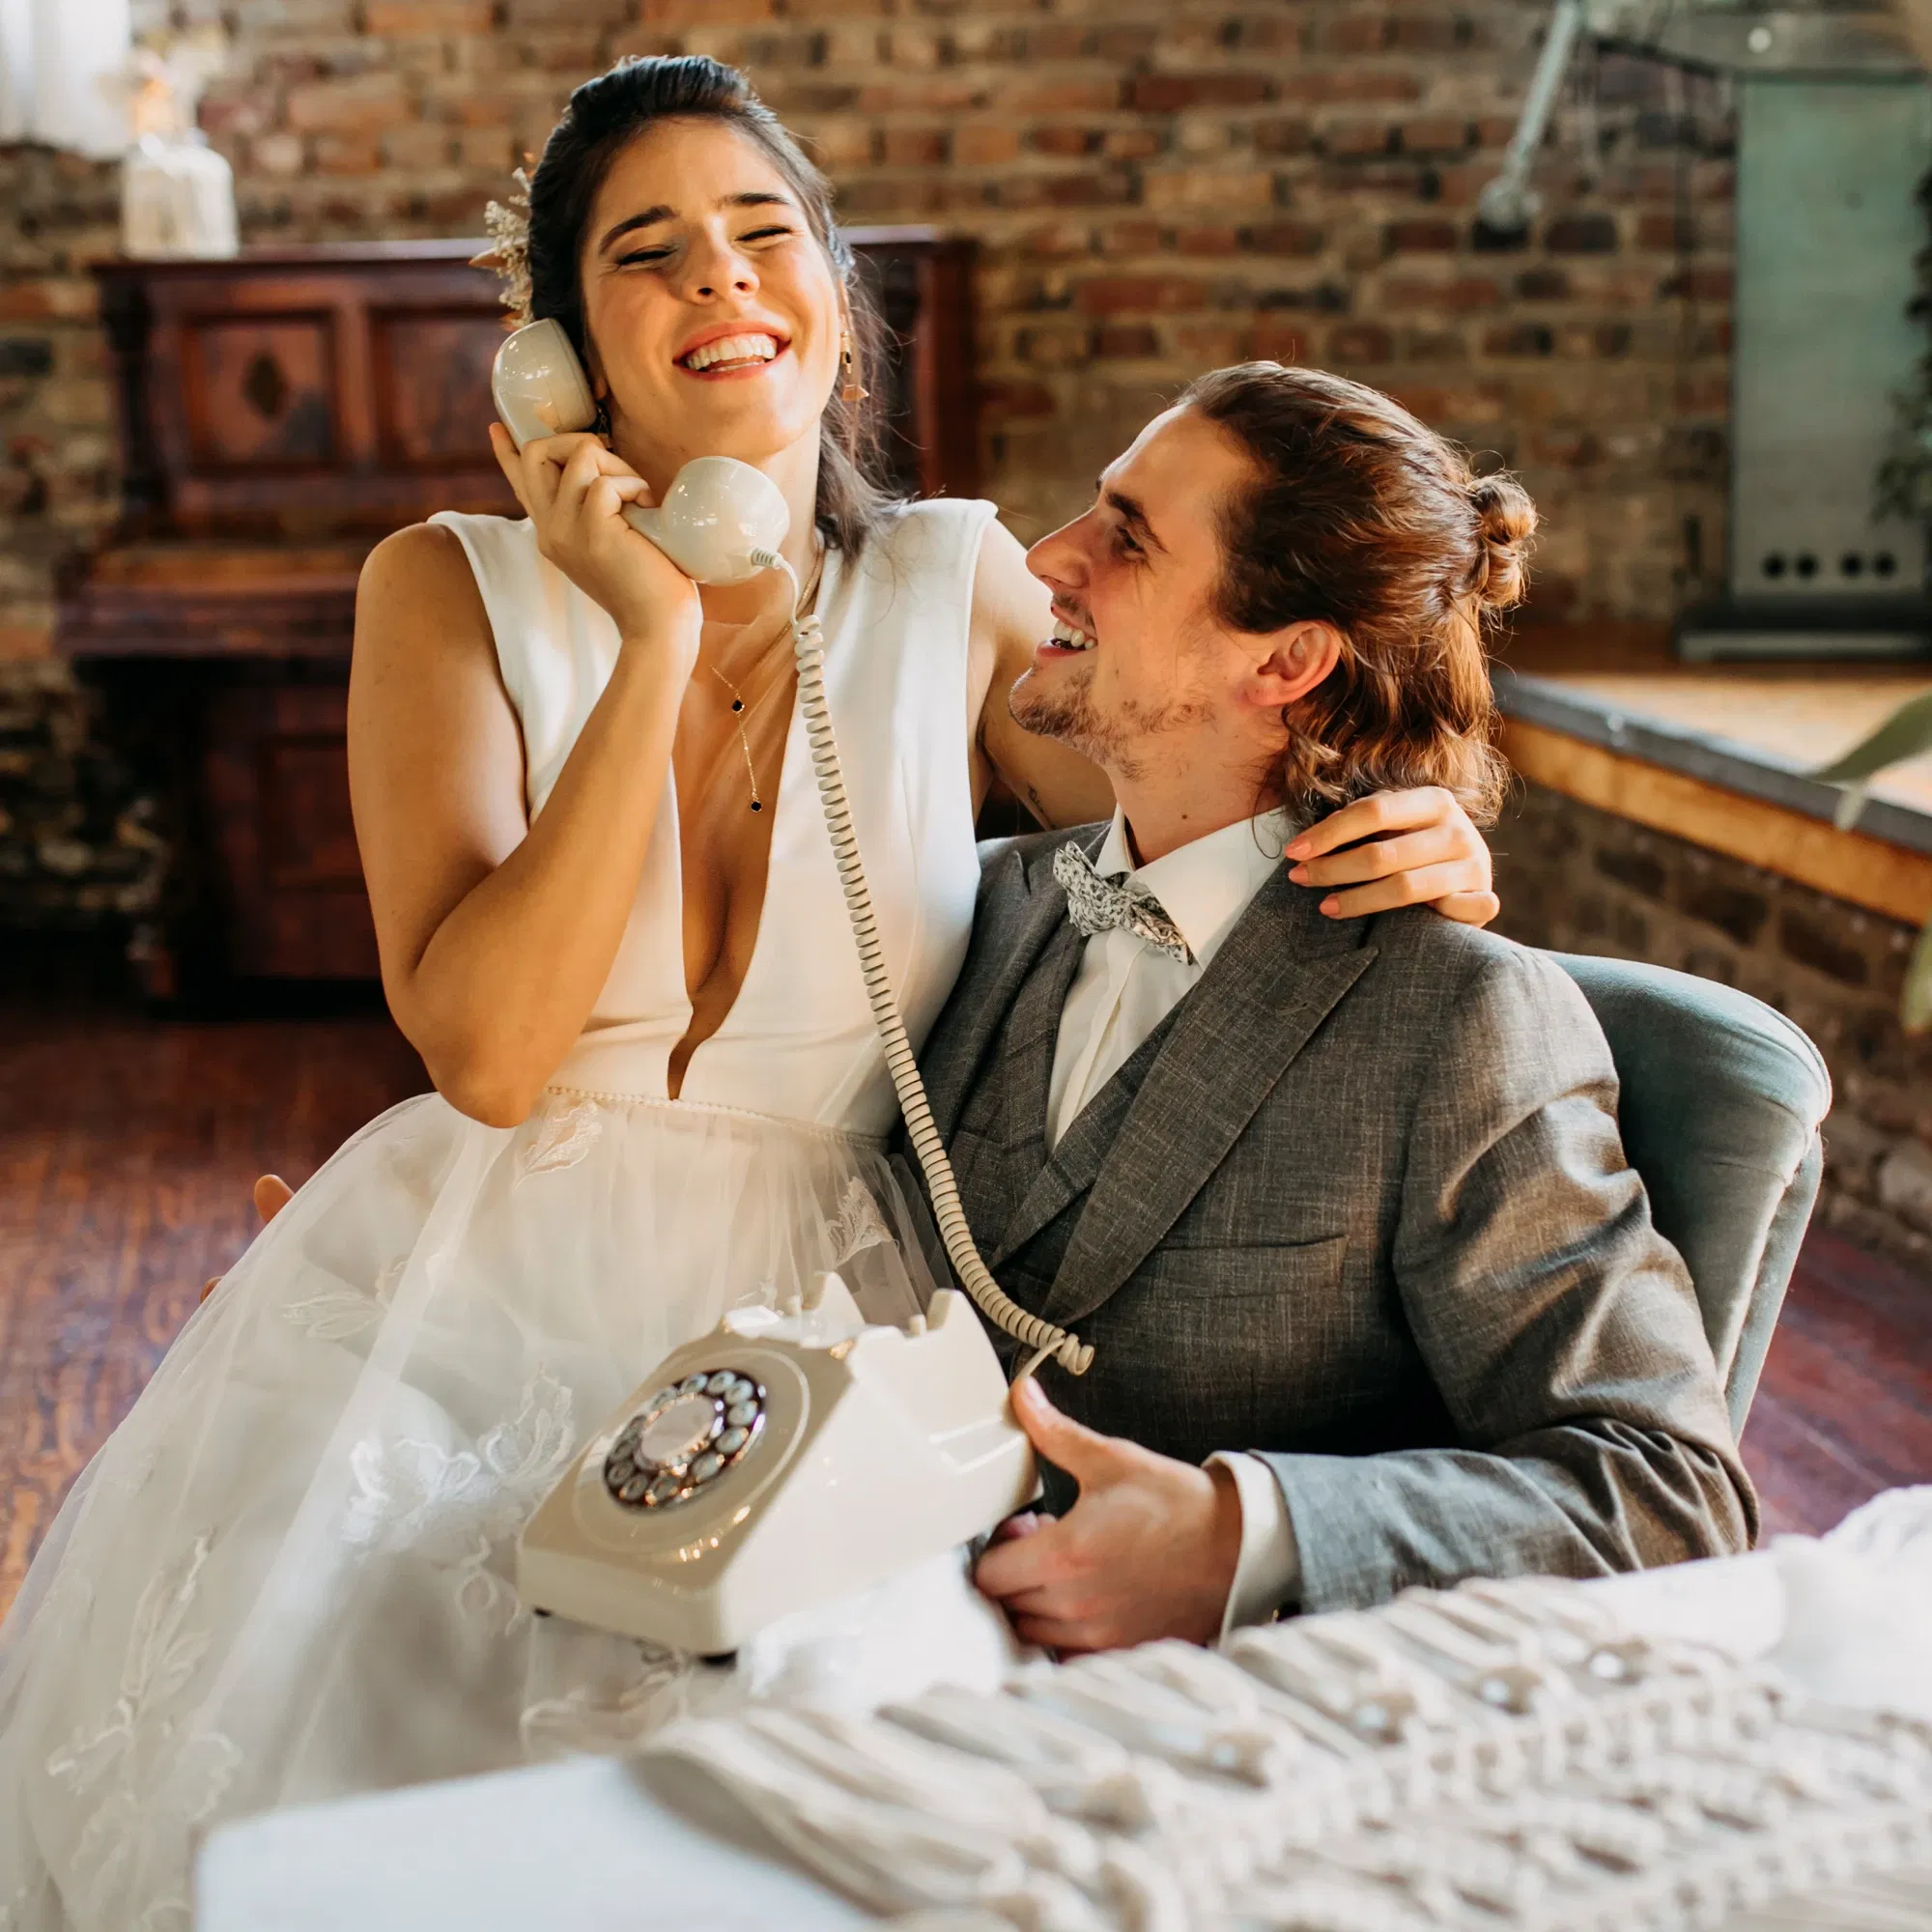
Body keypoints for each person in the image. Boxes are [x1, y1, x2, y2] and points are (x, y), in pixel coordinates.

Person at [0, 57, 1494, 1930]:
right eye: (646, 253)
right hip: (476, 1285)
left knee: (794, 1800)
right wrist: (642, 631)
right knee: (386, 1749)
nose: (717, 282)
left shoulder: (957, 584)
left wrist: (1416, 832)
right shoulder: (442, 597)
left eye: (760, 234)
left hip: (817, 1321)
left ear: (837, 318)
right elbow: (486, 1045)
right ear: (558, 362)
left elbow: (1207, 785)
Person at [921, 362, 1755, 1656]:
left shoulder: (1456, 1020)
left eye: (1127, 538)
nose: (1046, 556)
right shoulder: (982, 909)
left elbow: (1669, 1497)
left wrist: (1246, 1540)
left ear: (1290, 657)